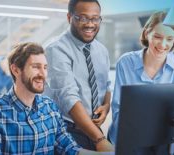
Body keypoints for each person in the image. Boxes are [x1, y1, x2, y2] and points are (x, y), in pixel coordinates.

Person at [0, 42, 113, 155]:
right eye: (35, 67)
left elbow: (71, 149)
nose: (43, 74)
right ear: (16, 70)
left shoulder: (50, 107)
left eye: (45, 68)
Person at [108, 11, 174, 148]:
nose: (163, 45)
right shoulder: (126, 62)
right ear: (147, 33)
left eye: (170, 39)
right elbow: (119, 110)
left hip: (162, 140)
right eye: (157, 37)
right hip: (127, 139)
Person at [44, 0, 113, 151]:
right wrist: (100, 139)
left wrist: (106, 106)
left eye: (95, 18)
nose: (90, 24)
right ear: (69, 18)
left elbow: (106, 85)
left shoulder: (101, 50)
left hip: (93, 129)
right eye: (83, 18)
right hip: (65, 132)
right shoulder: (56, 50)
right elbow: (69, 98)